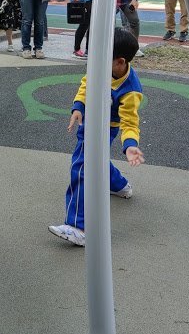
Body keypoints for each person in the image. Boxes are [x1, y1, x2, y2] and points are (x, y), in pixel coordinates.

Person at [48, 28, 145, 246]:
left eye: (102, 59)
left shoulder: (130, 90)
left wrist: (130, 145)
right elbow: (87, 82)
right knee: (95, 162)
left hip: (104, 129)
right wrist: (78, 106)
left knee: (81, 168)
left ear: (120, 62)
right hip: (89, 121)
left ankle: (79, 227)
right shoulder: (103, 66)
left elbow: (130, 121)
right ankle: (119, 185)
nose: (96, 64)